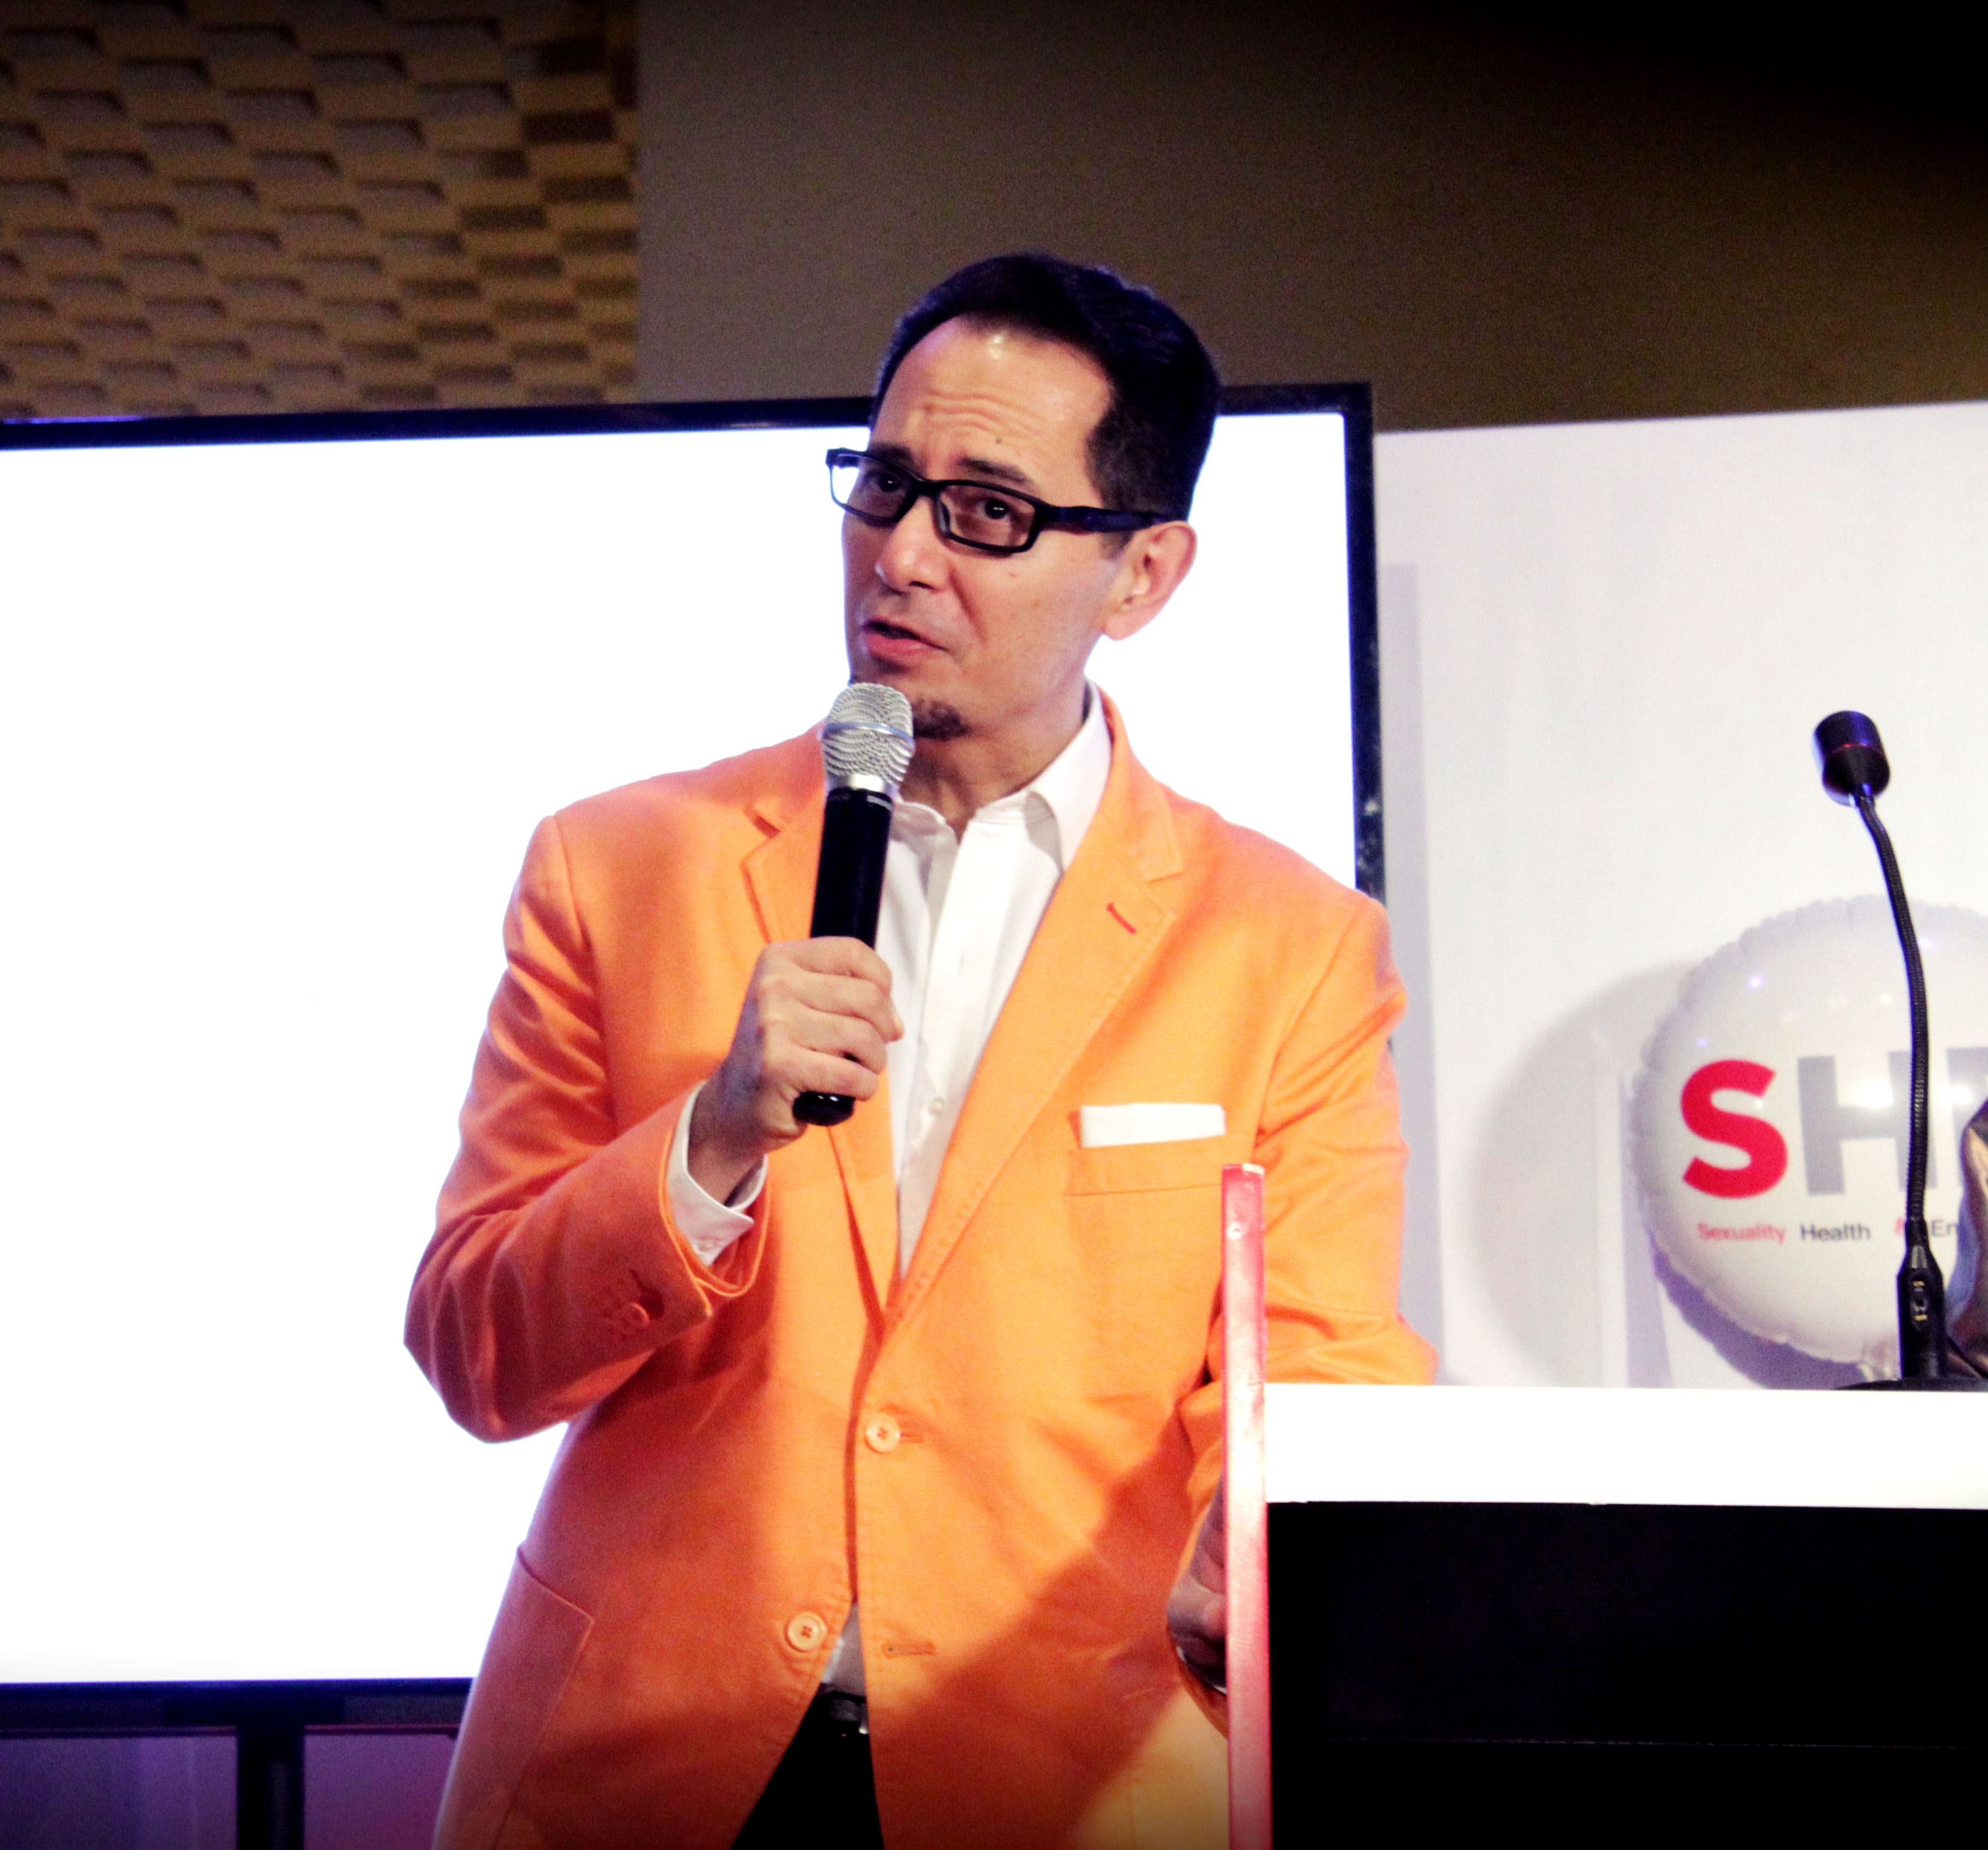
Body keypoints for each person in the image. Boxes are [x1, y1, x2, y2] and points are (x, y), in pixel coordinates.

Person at [408, 252, 1434, 1850]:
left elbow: (1314, 1359)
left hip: (1063, 1781)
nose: (898, 555)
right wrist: (710, 1141)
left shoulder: (1285, 943)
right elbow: (478, 1349)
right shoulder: (616, 867)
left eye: (988, 513)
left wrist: (1263, 1530)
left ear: (1143, 574)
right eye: (884, 483)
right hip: (652, 1770)